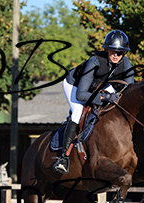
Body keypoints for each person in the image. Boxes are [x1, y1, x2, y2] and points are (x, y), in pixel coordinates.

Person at [53, 29, 135, 174]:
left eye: (120, 52)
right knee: (78, 112)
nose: (116, 55)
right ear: (107, 49)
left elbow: (130, 89)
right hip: (75, 85)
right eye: (113, 51)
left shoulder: (126, 63)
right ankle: (63, 157)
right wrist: (104, 98)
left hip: (100, 84)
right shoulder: (95, 61)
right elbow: (81, 95)